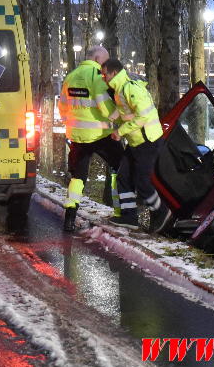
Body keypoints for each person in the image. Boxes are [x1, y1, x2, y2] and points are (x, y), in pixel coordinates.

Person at [57, 45, 123, 232]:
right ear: (96, 59)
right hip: (101, 134)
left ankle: (69, 218)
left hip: (77, 136)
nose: (107, 67)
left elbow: (62, 107)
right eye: (105, 61)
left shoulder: (71, 76)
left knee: (78, 177)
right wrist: (119, 118)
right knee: (120, 167)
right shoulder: (97, 77)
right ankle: (120, 212)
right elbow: (106, 108)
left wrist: (71, 123)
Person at [101, 58, 171, 232]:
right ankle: (129, 217)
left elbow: (143, 116)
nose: (103, 77)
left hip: (147, 141)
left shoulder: (131, 88)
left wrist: (120, 131)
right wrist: (110, 118)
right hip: (135, 142)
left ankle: (161, 211)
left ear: (114, 73)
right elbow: (126, 111)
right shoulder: (120, 89)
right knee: (123, 177)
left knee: (142, 181)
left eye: (105, 74)